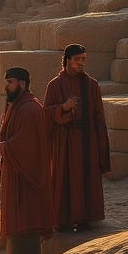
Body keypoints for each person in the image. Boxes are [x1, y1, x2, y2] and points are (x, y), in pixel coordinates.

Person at [43, 44, 111, 232]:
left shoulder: (91, 85)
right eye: (77, 59)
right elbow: (46, 112)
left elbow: (98, 115)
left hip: (86, 140)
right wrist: (64, 107)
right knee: (64, 177)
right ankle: (63, 220)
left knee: (85, 177)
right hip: (63, 141)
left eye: (83, 59)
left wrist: (99, 141)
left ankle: (84, 218)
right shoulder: (54, 85)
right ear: (67, 60)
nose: (81, 63)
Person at [0, 66, 53, 254]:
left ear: (22, 84)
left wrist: (6, 146)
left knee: (26, 215)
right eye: (6, 81)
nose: (6, 86)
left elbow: (28, 141)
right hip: (15, 170)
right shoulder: (16, 105)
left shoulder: (29, 107)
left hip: (27, 172)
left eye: (10, 82)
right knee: (15, 215)